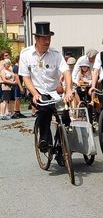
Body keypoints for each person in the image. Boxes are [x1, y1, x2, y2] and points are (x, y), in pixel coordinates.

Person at [19, 22, 72, 151]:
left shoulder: (56, 54)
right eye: (44, 38)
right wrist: (34, 93)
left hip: (53, 91)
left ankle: (61, 148)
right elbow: (25, 77)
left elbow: (66, 71)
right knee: (45, 110)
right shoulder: (26, 54)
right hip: (36, 90)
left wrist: (69, 90)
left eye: (49, 38)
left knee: (65, 116)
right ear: (36, 39)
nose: (47, 41)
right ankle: (44, 139)